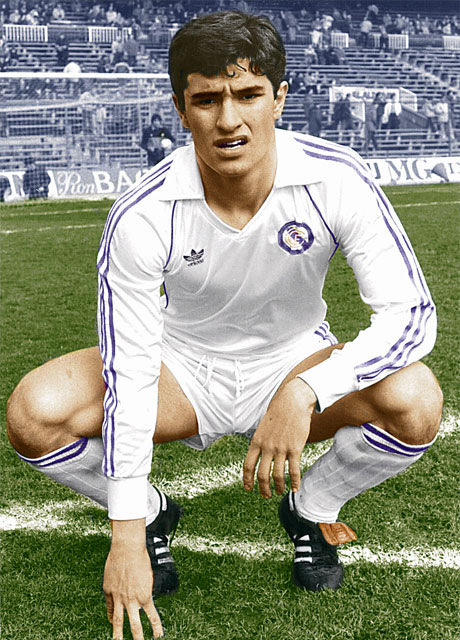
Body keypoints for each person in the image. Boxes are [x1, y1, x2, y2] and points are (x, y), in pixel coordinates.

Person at [6, 11, 443, 640]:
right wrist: (126, 531)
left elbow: (410, 316)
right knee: (35, 412)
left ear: (280, 98)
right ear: (182, 110)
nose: (229, 119)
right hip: (181, 368)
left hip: (294, 362)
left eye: (248, 94)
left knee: (416, 399)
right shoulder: (143, 214)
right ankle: (154, 514)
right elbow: (131, 369)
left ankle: (312, 508)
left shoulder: (337, 178)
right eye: (207, 99)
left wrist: (306, 390)